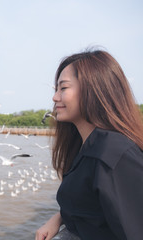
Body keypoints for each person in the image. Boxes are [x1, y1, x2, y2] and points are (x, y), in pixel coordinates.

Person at [36, 48, 143, 240]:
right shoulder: (88, 146)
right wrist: (59, 218)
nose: (55, 97)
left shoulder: (114, 156)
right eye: (56, 89)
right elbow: (92, 204)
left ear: (93, 90)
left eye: (63, 88)